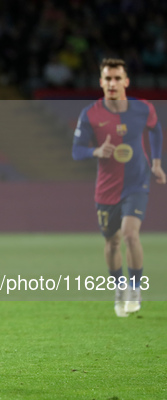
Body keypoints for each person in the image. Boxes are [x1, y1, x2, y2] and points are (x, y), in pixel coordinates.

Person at [72, 58, 165, 317]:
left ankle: (135, 288)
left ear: (126, 81)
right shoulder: (90, 114)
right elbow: (76, 151)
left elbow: (156, 130)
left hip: (137, 182)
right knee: (112, 243)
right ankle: (119, 288)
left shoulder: (143, 109)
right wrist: (96, 150)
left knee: (129, 235)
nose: (112, 83)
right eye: (107, 79)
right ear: (101, 83)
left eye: (117, 78)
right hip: (106, 189)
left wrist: (156, 163)